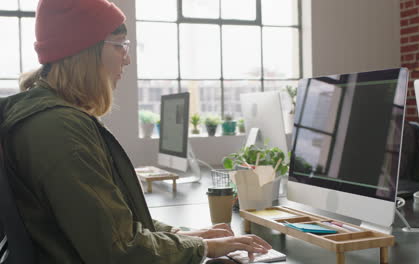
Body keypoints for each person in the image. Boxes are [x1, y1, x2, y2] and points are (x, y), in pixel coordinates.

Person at [0, 0, 271, 263]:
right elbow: (120, 251)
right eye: (120, 46)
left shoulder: (50, 118)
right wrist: (202, 249)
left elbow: (113, 222)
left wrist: (182, 236)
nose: (127, 59)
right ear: (85, 52)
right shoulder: (60, 130)